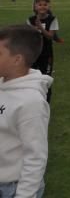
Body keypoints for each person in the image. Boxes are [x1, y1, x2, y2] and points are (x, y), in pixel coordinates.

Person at [0, 24, 51, 198]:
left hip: (12, 188)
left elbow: (35, 157)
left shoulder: (31, 103)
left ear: (17, 60)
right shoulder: (3, 83)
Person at [26, 0, 60, 103]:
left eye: (45, 5)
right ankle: (32, 101)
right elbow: (28, 37)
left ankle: (46, 103)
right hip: (34, 54)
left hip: (47, 54)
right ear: (35, 7)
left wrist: (40, 27)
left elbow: (50, 36)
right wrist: (33, 31)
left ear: (49, 7)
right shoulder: (30, 20)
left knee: (45, 79)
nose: (42, 7)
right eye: (40, 5)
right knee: (31, 78)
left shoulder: (52, 19)